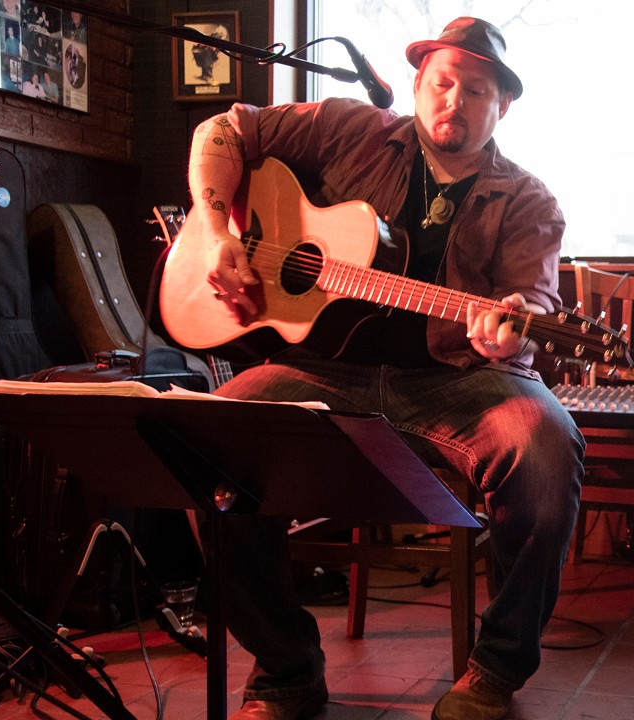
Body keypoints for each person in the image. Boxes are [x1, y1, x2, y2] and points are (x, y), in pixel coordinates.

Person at [179, 17, 583, 720]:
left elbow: (533, 304)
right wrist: (218, 234)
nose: (454, 99)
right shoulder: (348, 129)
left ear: (504, 105)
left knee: (545, 451)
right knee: (202, 450)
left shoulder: (530, 199)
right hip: (320, 368)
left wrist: (505, 334)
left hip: (461, 377)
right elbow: (221, 131)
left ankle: (494, 669)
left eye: (476, 89)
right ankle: (287, 669)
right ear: (419, 85)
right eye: (442, 83)